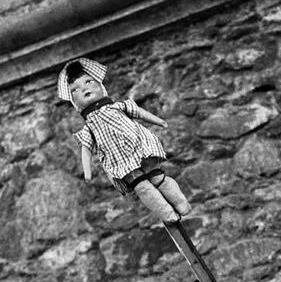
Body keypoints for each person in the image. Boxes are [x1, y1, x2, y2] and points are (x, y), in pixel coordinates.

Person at [57, 57, 192, 224]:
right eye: (75, 90)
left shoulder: (117, 107)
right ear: (74, 102)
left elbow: (139, 112)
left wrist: (159, 121)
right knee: (142, 187)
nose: (84, 88)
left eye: (88, 82)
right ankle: (167, 214)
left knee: (157, 178)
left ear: (101, 86)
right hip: (121, 161)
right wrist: (87, 172)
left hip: (140, 149)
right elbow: (86, 149)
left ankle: (181, 203)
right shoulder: (89, 128)